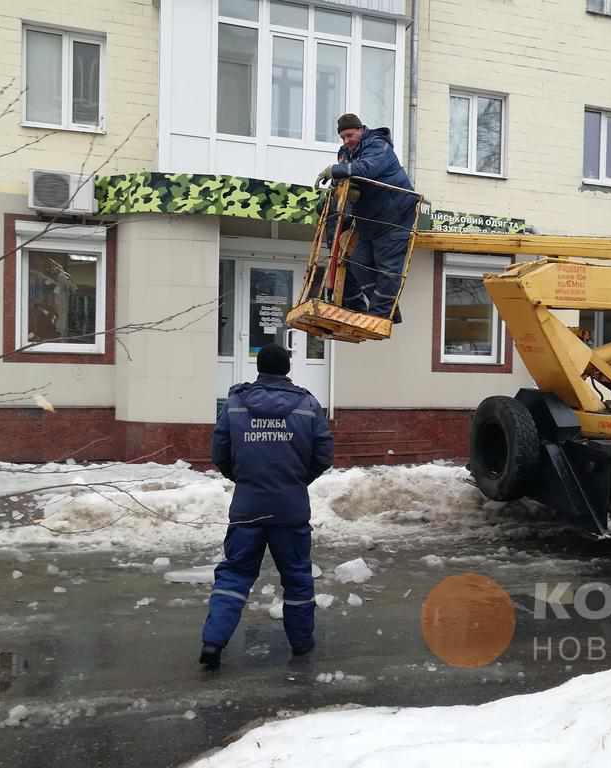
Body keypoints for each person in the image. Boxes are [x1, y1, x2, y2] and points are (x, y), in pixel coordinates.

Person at [199, 344, 334, 669]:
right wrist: (297, 480)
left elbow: (220, 453)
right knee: (297, 577)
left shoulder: (235, 404)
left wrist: (245, 479)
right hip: (291, 509)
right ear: (288, 368)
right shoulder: (308, 405)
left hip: (248, 507)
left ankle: (213, 643)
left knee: (234, 574)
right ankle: (301, 645)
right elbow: (324, 454)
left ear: (258, 367)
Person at [316, 113, 417, 320]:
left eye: (350, 135)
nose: (346, 141)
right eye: (343, 137)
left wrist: (334, 171)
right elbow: (346, 179)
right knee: (358, 262)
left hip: (395, 216)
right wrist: (332, 192)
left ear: (361, 130)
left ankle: (381, 315)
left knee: (388, 267)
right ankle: (387, 310)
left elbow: (367, 169)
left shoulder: (378, 145)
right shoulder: (345, 153)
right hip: (369, 220)